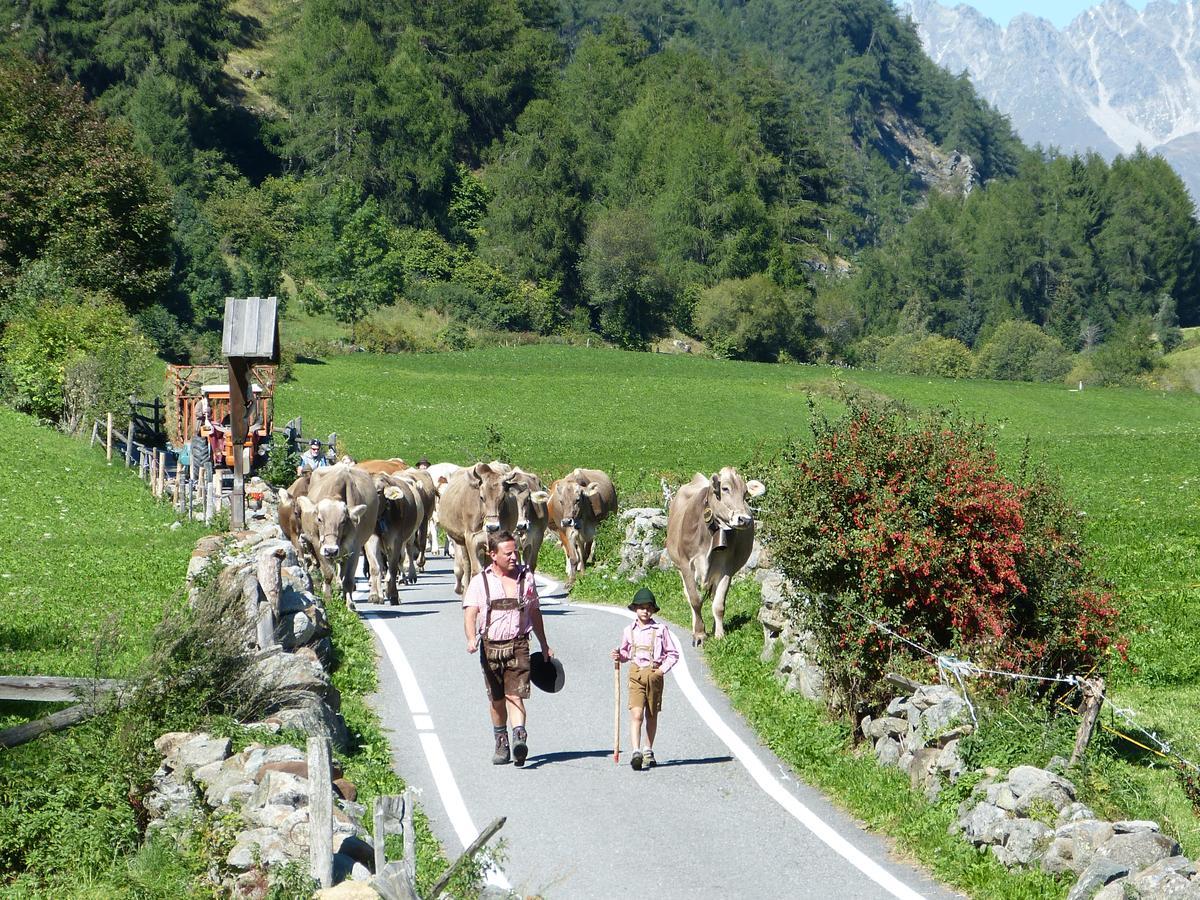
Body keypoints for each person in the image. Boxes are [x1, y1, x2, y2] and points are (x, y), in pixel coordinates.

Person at [463, 530, 553, 766]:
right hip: (490, 646)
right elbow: (470, 612)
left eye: (516, 552)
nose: (514, 557)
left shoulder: (526, 577)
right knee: (497, 699)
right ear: (493, 555)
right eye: (509, 553)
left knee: (515, 694)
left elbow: (534, 611)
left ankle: (519, 737)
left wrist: (544, 644)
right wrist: (472, 638)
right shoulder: (480, 581)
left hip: (519, 644)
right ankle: (501, 741)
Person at [611, 587, 680, 770]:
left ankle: (648, 749)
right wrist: (619, 656)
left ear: (653, 610)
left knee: (651, 714)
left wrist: (661, 670)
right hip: (635, 673)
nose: (645, 611)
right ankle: (636, 751)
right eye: (641, 607)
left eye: (649, 607)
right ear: (635, 609)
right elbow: (626, 652)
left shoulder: (660, 630)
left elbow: (673, 654)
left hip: (654, 674)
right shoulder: (628, 630)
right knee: (636, 713)